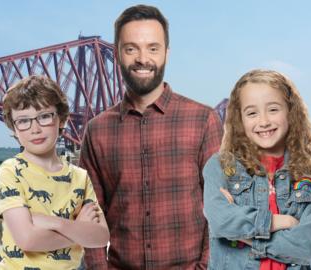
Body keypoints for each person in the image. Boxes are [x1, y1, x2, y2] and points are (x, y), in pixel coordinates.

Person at [79, 4, 223, 270]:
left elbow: (220, 208)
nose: (142, 58)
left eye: (152, 48)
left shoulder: (203, 120)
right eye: (131, 48)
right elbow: (89, 212)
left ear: (166, 53)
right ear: (118, 53)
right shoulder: (96, 130)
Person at [203, 69, 311, 269]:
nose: (263, 121)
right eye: (252, 113)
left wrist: (248, 238)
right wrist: (280, 222)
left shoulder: (310, 171)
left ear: (291, 111)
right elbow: (221, 220)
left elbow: (307, 247)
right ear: (240, 120)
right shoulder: (220, 167)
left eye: (273, 109)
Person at [0, 75, 109, 269]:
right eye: (23, 121)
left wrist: (52, 222)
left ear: (62, 120)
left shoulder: (80, 177)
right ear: (14, 129)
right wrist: (79, 230)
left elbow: (101, 237)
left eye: (45, 116)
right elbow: (27, 240)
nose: (35, 129)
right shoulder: (10, 171)